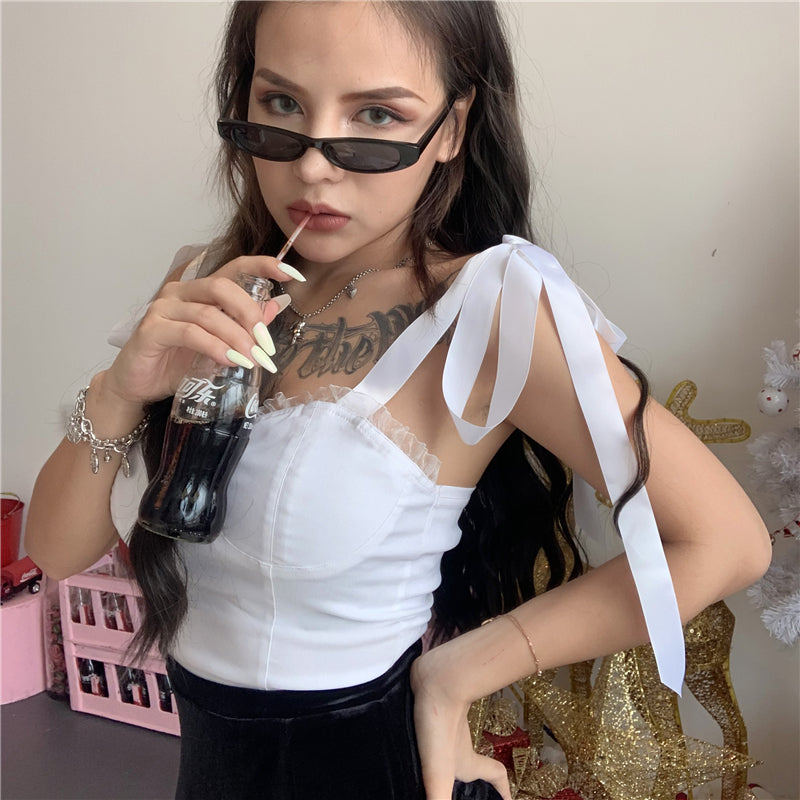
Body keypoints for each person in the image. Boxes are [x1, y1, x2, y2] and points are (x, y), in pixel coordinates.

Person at [26, 2, 771, 799]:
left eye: (377, 115)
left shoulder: (490, 310)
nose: (313, 168)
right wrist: (122, 389)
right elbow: (57, 554)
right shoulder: (210, 278)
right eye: (282, 103)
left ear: (452, 128)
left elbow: (725, 542)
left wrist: (460, 672)